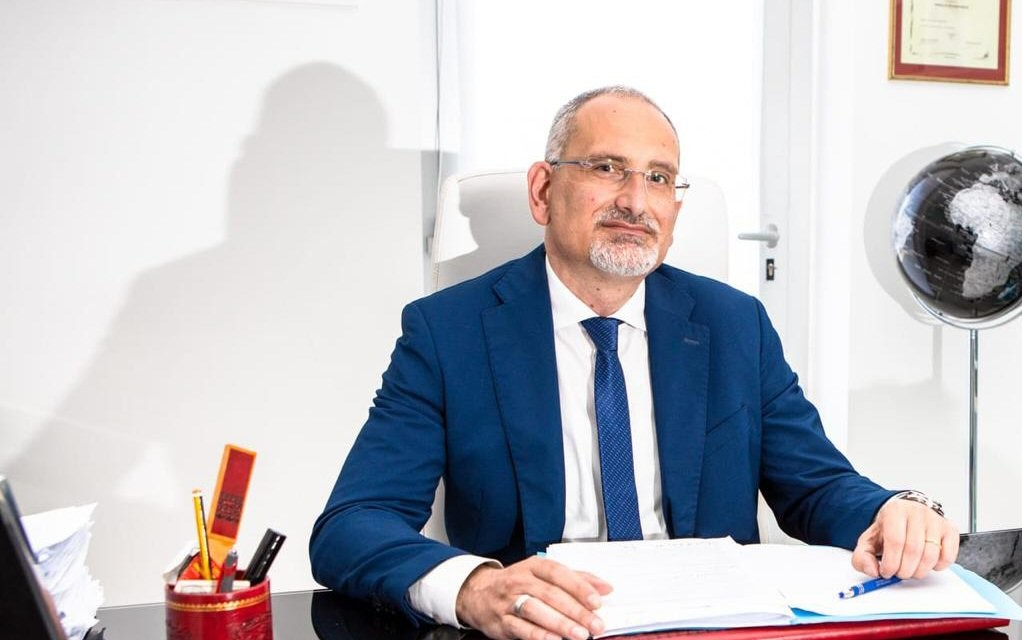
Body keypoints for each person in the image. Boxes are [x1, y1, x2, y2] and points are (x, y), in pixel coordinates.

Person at [309, 86, 958, 640]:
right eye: (607, 168)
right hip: (548, 627)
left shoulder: (734, 325)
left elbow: (815, 487)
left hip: (711, 626)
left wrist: (893, 511)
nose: (636, 201)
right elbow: (353, 524)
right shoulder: (448, 332)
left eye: (658, 177)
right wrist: (475, 587)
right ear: (542, 191)